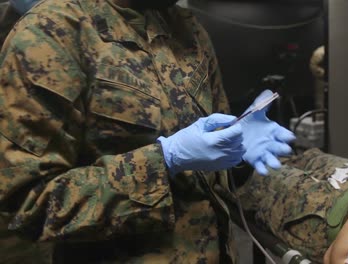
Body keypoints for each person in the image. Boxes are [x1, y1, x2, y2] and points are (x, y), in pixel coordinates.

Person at [0, 0, 295, 263]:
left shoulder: (186, 28)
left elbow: (208, 170)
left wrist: (237, 147)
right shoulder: (52, 32)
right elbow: (26, 203)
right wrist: (164, 160)